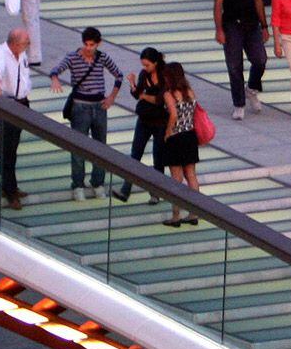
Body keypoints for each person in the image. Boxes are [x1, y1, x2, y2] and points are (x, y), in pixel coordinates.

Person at [49, 26, 123, 201]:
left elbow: (118, 75)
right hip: (80, 106)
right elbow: (56, 70)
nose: (89, 48)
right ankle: (78, 185)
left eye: (92, 45)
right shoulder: (73, 57)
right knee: (78, 148)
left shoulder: (102, 57)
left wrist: (111, 97)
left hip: (99, 106)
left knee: (100, 147)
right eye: (86, 44)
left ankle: (98, 182)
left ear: (98, 44)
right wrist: (55, 79)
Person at [213, 0, 269, 120]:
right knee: (234, 65)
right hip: (232, 25)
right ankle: (239, 104)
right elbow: (218, 4)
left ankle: (251, 89)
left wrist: (264, 26)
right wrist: (219, 29)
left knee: (260, 60)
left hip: (252, 24)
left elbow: (258, 0)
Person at [0, 28, 34, 210]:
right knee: (7, 149)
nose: (28, 45)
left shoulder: (20, 53)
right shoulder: (1, 53)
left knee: (13, 148)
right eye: (25, 43)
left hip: (22, 102)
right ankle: (9, 190)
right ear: (15, 43)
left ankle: (10, 185)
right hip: (8, 103)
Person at [115, 47, 168, 204]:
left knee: (158, 158)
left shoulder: (165, 75)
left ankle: (155, 193)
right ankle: (126, 189)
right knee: (135, 154)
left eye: (147, 65)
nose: (145, 68)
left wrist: (144, 96)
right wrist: (132, 84)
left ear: (155, 63)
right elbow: (137, 94)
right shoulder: (144, 75)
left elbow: (160, 100)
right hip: (144, 119)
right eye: (143, 65)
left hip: (160, 121)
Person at [158, 63, 203, 226]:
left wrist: (167, 132)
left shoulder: (169, 94)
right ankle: (194, 213)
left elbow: (173, 115)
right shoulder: (190, 92)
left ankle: (176, 215)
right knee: (191, 175)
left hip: (176, 137)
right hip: (190, 136)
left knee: (176, 178)